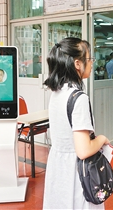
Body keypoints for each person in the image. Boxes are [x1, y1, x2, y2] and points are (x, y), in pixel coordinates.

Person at [42, 37, 109, 209]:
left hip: (58, 165)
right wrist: (101, 139)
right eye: (89, 59)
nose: (92, 63)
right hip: (76, 172)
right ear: (77, 64)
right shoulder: (78, 98)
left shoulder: (57, 92)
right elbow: (83, 150)